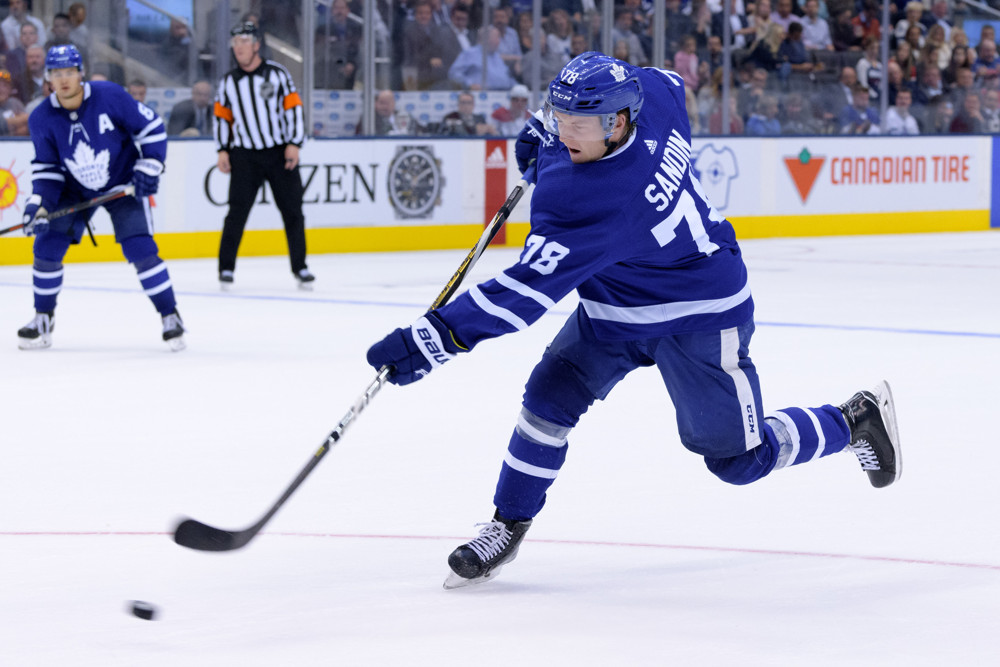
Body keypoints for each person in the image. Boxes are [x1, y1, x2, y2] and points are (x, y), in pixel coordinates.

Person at [365, 52, 902, 589]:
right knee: (546, 401)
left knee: (740, 461)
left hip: (698, 315)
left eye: (578, 124)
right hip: (613, 308)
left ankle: (852, 420)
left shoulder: (598, 200)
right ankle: (507, 524)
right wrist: (548, 135)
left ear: (617, 122)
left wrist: (434, 338)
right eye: (560, 116)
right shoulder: (654, 99)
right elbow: (666, 79)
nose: (565, 131)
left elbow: (525, 291)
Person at [17, 45, 185, 351]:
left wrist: (151, 163)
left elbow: (152, 127)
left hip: (121, 184)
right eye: (57, 73)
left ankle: (169, 315)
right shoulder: (41, 118)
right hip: (72, 190)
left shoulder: (110, 95)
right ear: (48, 79)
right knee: (46, 249)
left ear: (81, 73)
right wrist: (37, 204)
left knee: (141, 248)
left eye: (70, 72)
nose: (64, 79)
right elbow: (47, 169)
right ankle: (43, 317)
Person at [214, 22, 314, 289]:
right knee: (237, 212)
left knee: (293, 211)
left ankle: (300, 267)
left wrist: (294, 143)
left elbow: (293, 109)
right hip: (244, 155)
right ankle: (225, 267)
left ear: (257, 45)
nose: (239, 47)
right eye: (235, 43)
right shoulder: (228, 82)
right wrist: (222, 149)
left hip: (279, 153)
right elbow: (222, 118)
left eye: (244, 41)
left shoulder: (278, 75)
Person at [449, 25, 518, 90]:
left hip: (503, 94)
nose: (499, 41)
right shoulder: (470, 53)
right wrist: (469, 85)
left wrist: (518, 87)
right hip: (480, 97)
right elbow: (453, 73)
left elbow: (507, 77)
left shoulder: (497, 57)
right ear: (487, 38)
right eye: (497, 37)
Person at [0, 68, 29, 136]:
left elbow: (26, 127)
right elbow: (2, 123)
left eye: (4, 85)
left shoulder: (15, 103)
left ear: (10, 89)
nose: (0, 89)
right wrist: (20, 119)